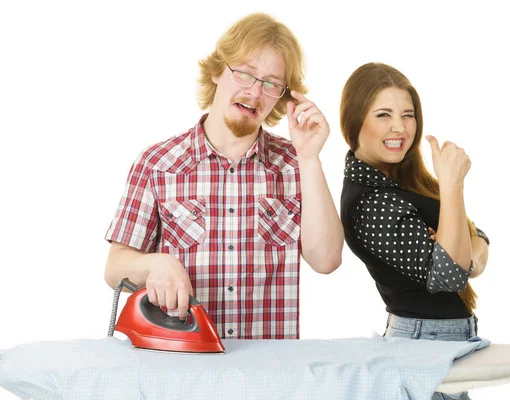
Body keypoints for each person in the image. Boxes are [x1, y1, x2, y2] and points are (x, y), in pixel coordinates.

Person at [104, 13, 344, 340]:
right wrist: (156, 264)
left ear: (283, 97)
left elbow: (326, 260)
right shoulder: (156, 164)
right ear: (218, 71)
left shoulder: (296, 164)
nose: (255, 92)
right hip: (182, 365)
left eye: (271, 83)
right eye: (245, 74)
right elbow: (114, 267)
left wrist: (311, 158)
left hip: (271, 376)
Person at [339, 63, 489, 400]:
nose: (399, 127)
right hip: (423, 345)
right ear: (354, 121)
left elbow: (476, 235)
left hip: (441, 343)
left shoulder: (403, 178)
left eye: (408, 115)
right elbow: (451, 275)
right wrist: (452, 186)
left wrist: (473, 256)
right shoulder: (370, 201)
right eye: (383, 115)